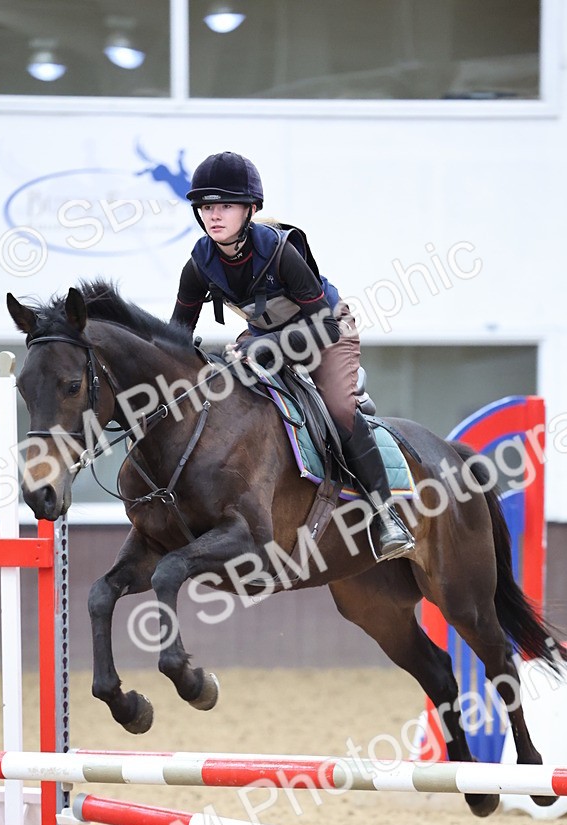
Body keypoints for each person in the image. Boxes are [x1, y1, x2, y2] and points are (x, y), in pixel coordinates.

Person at [170, 150, 414, 560]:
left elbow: (324, 326)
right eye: (207, 207)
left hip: (326, 329)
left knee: (338, 407)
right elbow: (175, 337)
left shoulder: (280, 250)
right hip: (264, 335)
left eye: (225, 206)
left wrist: (266, 347)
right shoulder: (199, 263)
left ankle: (387, 515)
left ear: (250, 210)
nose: (214, 215)